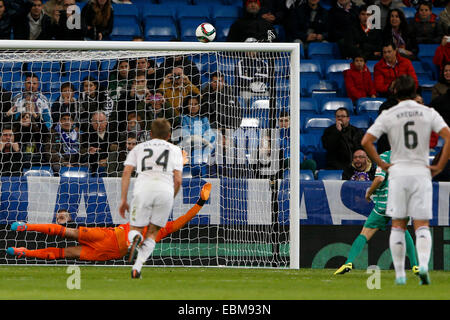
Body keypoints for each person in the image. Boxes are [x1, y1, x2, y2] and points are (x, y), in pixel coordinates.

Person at [361, 74, 450, 285]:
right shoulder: (428, 112)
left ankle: (400, 273)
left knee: (398, 225)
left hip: (398, 172)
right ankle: (424, 266)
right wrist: (440, 164)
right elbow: (448, 135)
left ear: (394, 92)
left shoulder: (389, 114)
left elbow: (366, 141)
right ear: (415, 91)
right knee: (421, 225)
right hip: (421, 171)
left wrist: (381, 164)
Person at [7, 182, 211, 262]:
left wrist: (201, 202)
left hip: (108, 252)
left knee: (64, 253)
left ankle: (25, 252)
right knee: (67, 232)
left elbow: (183, 220)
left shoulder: (162, 229)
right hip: (108, 235)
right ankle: (27, 226)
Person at [335, 149, 419, 275]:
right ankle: (415, 266)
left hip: (384, 203)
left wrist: (369, 192)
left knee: (365, 233)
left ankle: (349, 262)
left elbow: (379, 179)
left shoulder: (384, 156)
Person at [119, 118, 184, 279]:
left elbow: (127, 172)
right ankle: (137, 268)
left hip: (143, 189)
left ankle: (135, 238)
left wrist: (123, 199)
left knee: (135, 228)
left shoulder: (139, 147)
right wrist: (171, 196)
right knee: (153, 232)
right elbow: (178, 180)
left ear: (150, 134)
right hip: (165, 190)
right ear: (169, 135)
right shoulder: (175, 150)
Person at [180, 95, 216, 166]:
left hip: (205, 146)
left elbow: (211, 136)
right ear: (186, 106)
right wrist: (202, 140)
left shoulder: (204, 118)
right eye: (190, 104)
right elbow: (187, 135)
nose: (193, 106)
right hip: (192, 147)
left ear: (199, 106)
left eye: (196, 104)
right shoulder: (183, 118)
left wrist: (203, 140)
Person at [82, 111, 118, 175]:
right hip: (94, 166)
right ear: (92, 123)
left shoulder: (114, 133)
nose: (99, 124)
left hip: (112, 165)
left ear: (106, 122)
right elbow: (83, 152)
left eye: (101, 121)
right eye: (96, 122)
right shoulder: (86, 135)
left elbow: (118, 150)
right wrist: (88, 150)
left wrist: (108, 160)